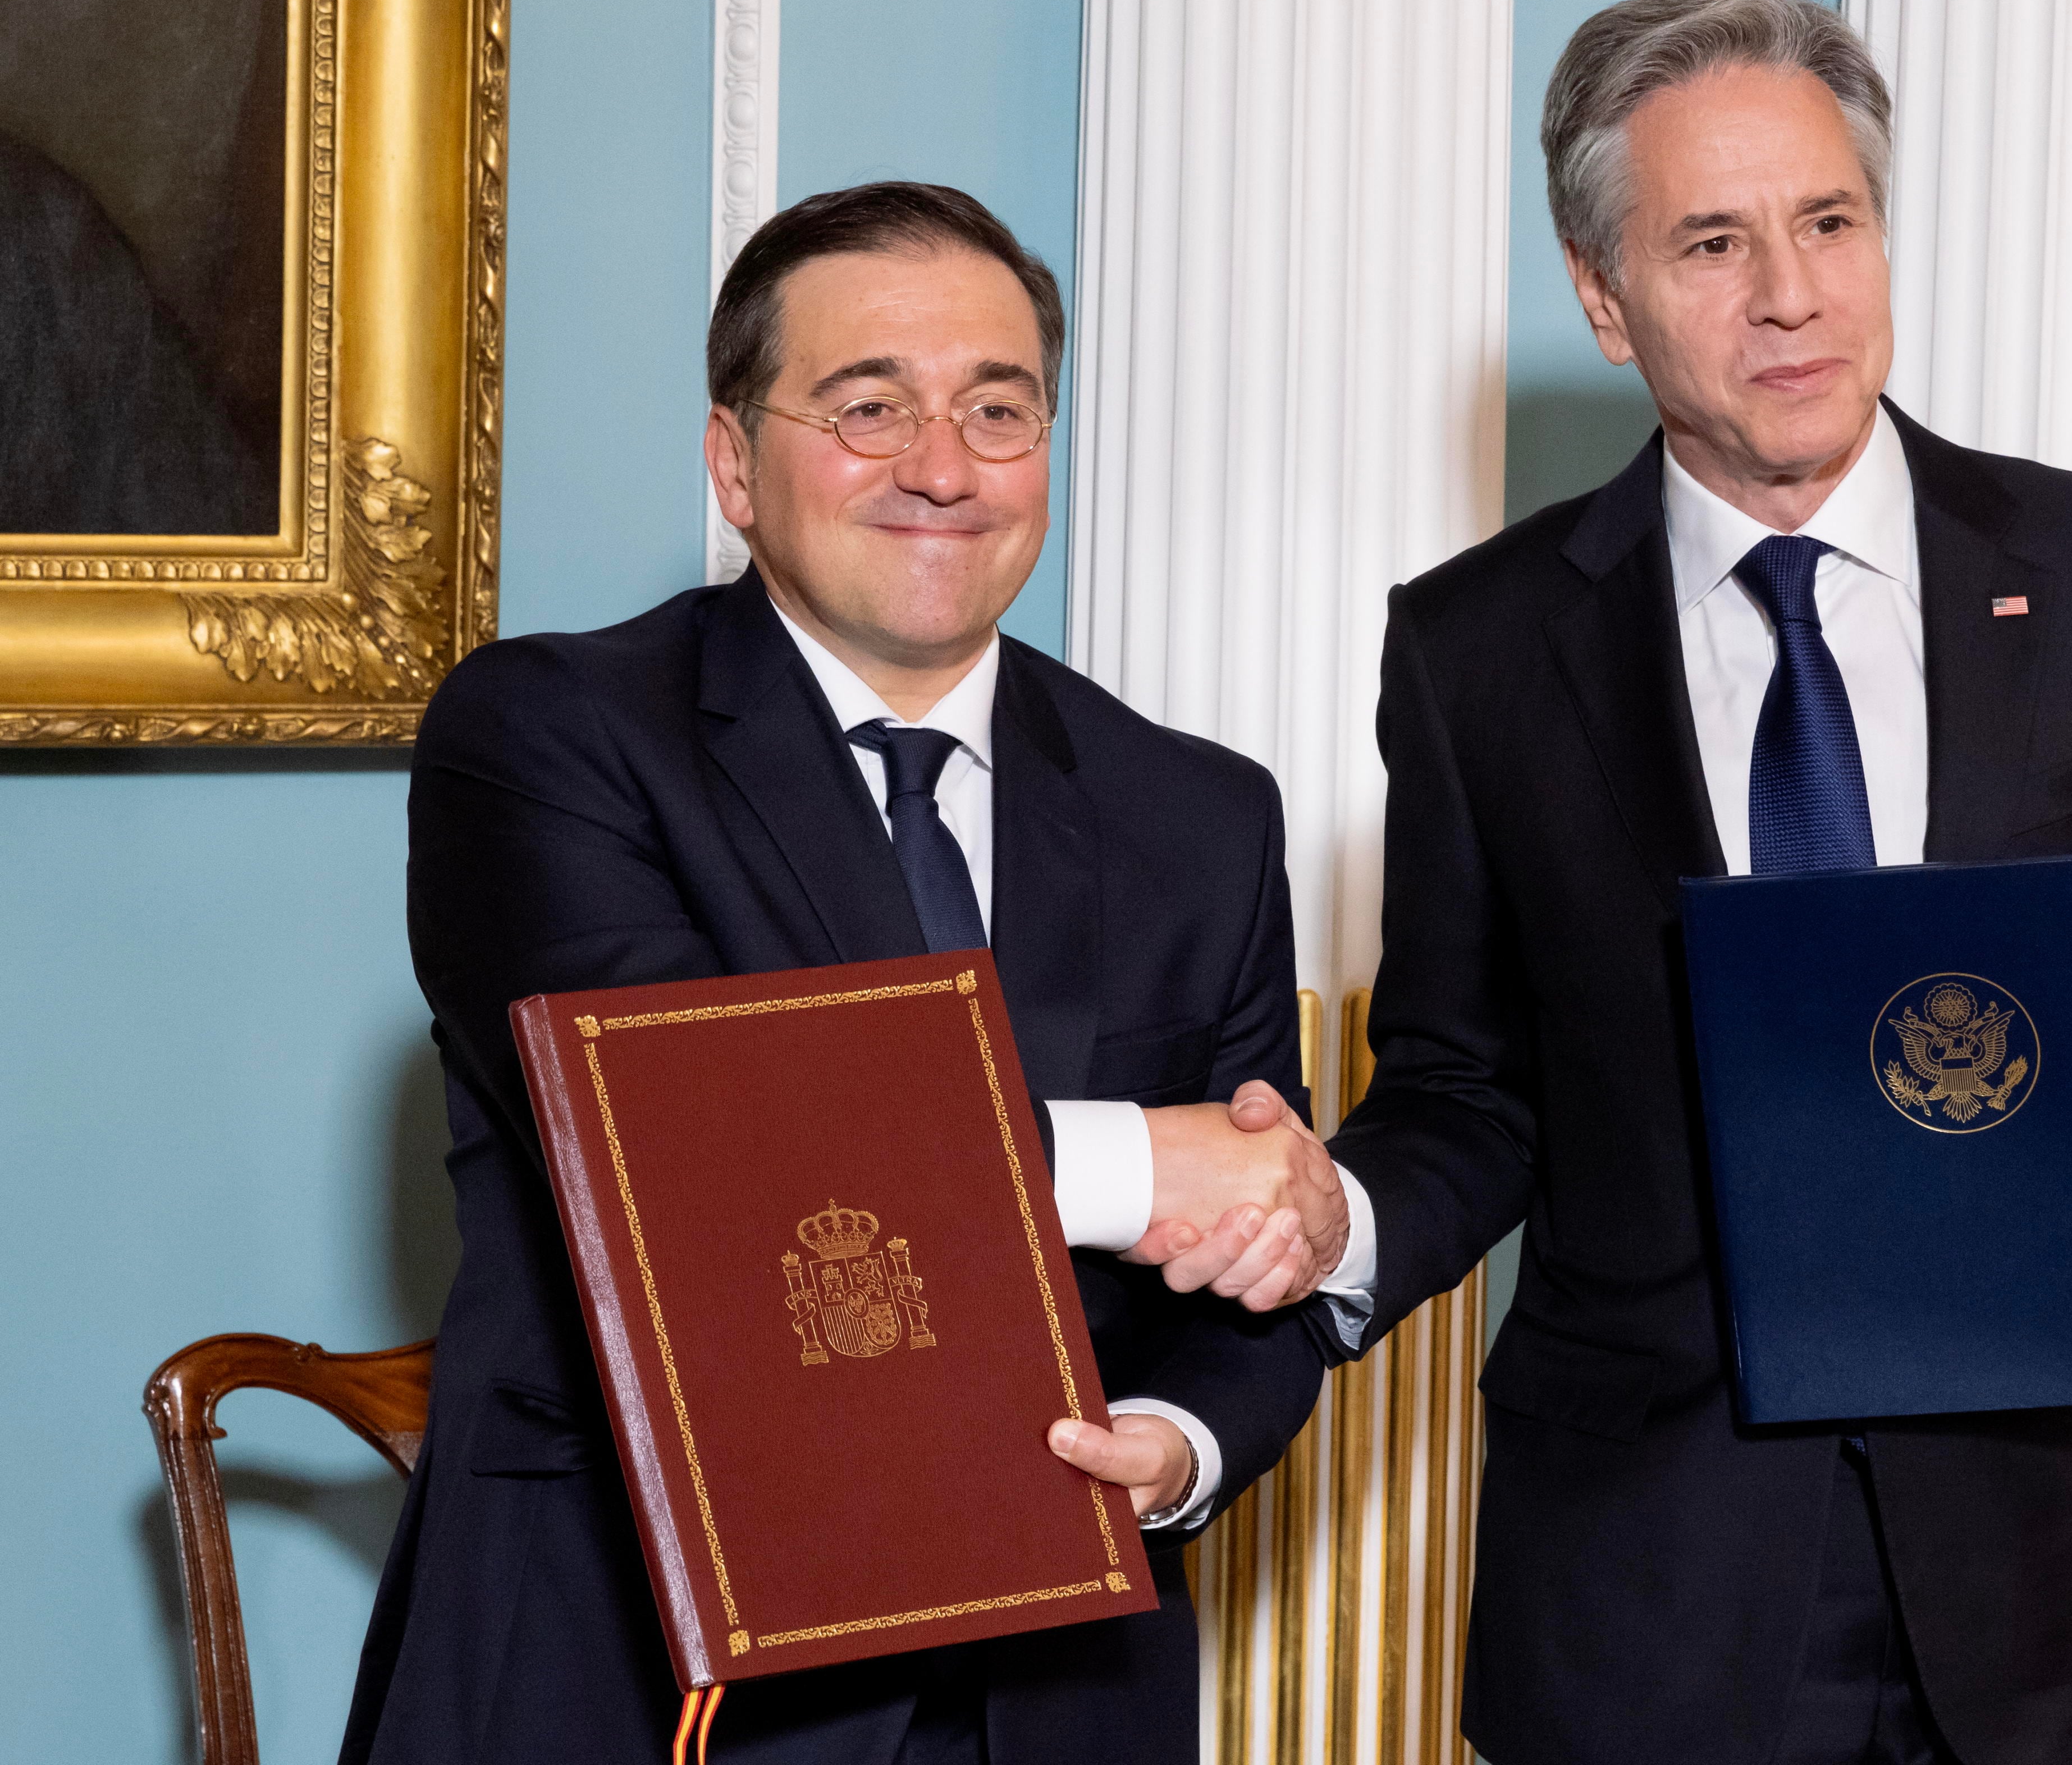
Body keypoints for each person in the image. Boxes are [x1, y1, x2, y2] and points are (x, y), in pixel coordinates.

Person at [1224, 0, 2072, 1764]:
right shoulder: (1479, 650)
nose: (1792, 293)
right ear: (1604, 295)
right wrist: (1330, 1219)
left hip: (2051, 1580)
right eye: (1714, 242)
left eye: (1829, 222)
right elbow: (1465, 1091)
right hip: (1649, 1593)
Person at [341, 182, 1343, 1764]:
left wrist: (1181, 1444)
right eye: (869, 407)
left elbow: (1256, 1263)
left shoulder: (1200, 813)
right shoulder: (549, 738)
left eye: (997, 411)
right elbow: (694, 1152)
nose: (941, 466)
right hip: (639, 1671)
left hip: (1058, 1688)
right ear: (736, 463)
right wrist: (1139, 1159)